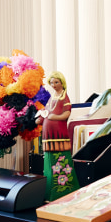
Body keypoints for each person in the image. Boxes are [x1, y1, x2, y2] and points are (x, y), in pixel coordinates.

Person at [36, 71, 80, 201]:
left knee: (60, 159)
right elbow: (47, 112)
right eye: (52, 83)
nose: (54, 85)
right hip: (48, 135)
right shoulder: (52, 97)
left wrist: (56, 117)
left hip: (58, 135)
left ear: (62, 82)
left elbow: (67, 113)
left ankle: (63, 189)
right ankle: (50, 191)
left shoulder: (64, 97)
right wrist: (41, 119)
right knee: (49, 161)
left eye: (56, 82)